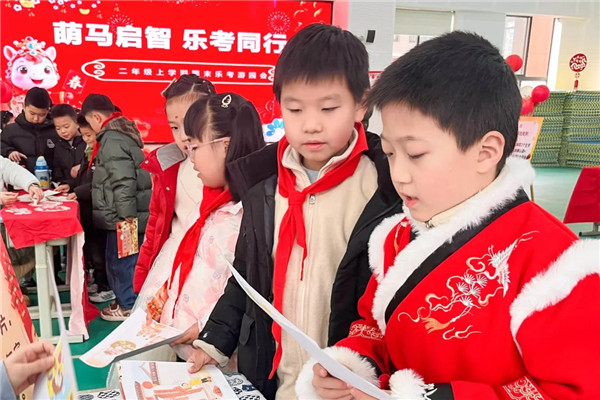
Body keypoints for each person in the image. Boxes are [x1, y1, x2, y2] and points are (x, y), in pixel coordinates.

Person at [301, 31, 600, 400]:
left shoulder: (557, 266)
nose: (399, 175)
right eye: (390, 153)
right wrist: (353, 366)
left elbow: (572, 390)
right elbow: (375, 326)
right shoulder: (395, 238)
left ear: (486, 152)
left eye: (416, 154)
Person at [187, 24, 401, 400]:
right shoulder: (262, 183)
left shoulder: (387, 188)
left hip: (344, 385)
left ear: (361, 104)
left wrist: (368, 371)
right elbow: (246, 275)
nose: (311, 124)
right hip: (271, 378)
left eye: (329, 108)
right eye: (295, 108)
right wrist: (215, 340)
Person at [140, 92, 265, 362]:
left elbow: (247, 292)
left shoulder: (249, 215)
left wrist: (209, 328)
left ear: (225, 146)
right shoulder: (211, 202)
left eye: (195, 147)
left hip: (217, 356)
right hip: (187, 345)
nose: (191, 157)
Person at [133, 75, 215, 295]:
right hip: (171, 264)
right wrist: (143, 274)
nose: (184, 136)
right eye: (175, 127)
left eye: (191, 123)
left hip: (212, 270)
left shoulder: (225, 169)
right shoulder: (168, 168)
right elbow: (155, 225)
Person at [80, 94, 152, 321]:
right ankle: (126, 300)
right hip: (124, 214)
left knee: (121, 263)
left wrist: (126, 218)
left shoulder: (111, 140)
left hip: (123, 217)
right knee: (125, 261)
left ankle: (128, 305)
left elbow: (123, 182)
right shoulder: (121, 134)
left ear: (96, 117)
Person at [67, 115, 113, 303]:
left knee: (101, 251)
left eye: (89, 135)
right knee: (93, 248)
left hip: (101, 210)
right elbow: (84, 177)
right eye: (83, 135)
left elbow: (101, 183)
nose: (86, 139)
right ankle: (99, 281)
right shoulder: (89, 150)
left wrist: (78, 191)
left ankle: (106, 286)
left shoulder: (106, 151)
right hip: (89, 208)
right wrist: (70, 186)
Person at [0, 87, 57, 174]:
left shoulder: (56, 130)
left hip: (53, 180)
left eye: (42, 115)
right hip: (21, 179)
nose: (36, 118)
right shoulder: (10, 130)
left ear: (48, 110)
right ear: (24, 106)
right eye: (32, 113)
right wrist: (9, 152)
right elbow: (2, 147)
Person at [48, 104, 86, 192]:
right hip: (64, 191)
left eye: (66, 127)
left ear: (77, 123)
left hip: (83, 192)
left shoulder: (87, 142)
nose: (63, 131)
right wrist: (60, 183)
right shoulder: (58, 145)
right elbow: (57, 168)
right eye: (58, 128)